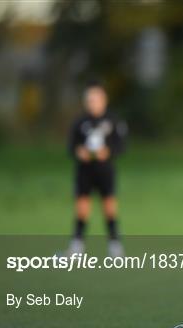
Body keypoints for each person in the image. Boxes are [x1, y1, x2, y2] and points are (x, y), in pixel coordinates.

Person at [67, 82, 127, 258]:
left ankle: (114, 245)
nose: (92, 102)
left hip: (105, 170)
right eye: (89, 99)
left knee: (109, 206)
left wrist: (107, 152)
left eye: (96, 99)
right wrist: (79, 152)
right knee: (82, 207)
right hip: (84, 170)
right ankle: (77, 245)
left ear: (103, 100)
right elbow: (71, 146)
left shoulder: (114, 121)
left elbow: (122, 145)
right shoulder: (80, 122)